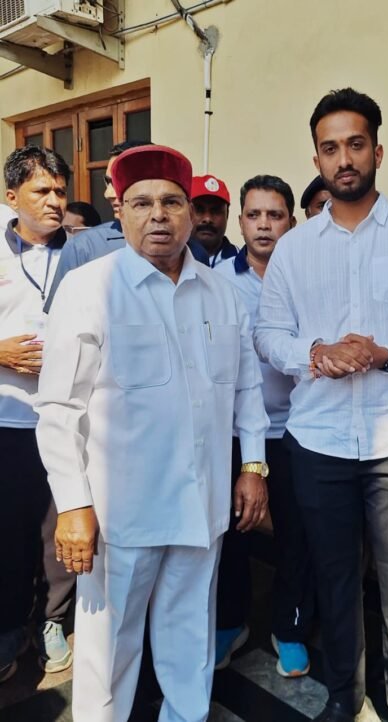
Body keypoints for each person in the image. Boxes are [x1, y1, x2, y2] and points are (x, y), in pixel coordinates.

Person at [35, 144, 269, 722]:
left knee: (191, 636)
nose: (158, 215)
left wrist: (252, 465)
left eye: (171, 202)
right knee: (108, 647)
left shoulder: (220, 291)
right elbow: (59, 407)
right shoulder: (90, 287)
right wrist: (73, 505)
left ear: (190, 211)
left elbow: (246, 387)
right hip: (122, 512)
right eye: (142, 203)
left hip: (202, 502)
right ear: (121, 212)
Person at [255, 88, 388, 722]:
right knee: (335, 578)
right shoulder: (294, 249)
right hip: (319, 441)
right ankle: (344, 698)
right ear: (316, 158)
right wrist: (314, 353)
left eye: (355, 144)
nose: (344, 159)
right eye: (330, 148)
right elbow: (268, 335)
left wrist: (385, 354)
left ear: (377, 151)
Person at [215, 174, 316, 677]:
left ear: (291, 222)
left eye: (274, 215)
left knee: (297, 532)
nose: (263, 225)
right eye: (253, 215)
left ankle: (289, 627)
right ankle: (230, 622)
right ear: (240, 221)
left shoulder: (308, 276)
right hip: (234, 431)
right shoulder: (217, 281)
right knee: (230, 531)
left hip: (298, 426)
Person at [0, 146, 75, 682]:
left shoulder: (83, 254)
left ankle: (53, 620)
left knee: (61, 531)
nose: (54, 201)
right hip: (9, 420)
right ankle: (8, 624)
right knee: (10, 530)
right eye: (41, 190)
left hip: (68, 421)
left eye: (60, 191)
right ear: (12, 197)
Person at [43, 140, 209, 311]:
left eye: (118, 182)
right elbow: (62, 318)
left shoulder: (194, 253)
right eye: (107, 182)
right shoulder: (82, 248)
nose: (108, 193)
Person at [190, 174, 238, 267]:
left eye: (215, 211)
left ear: (227, 215)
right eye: (199, 210)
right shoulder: (169, 259)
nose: (207, 219)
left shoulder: (242, 262)